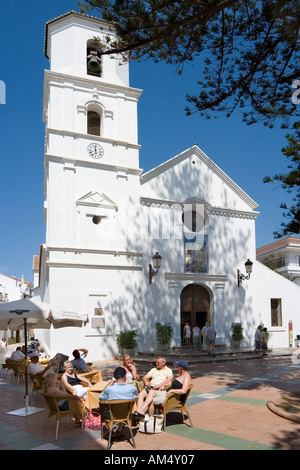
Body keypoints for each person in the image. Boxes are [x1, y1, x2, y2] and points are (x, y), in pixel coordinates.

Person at [99, 367, 138, 437]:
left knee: (103, 408)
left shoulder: (109, 389)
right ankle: (118, 430)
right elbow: (135, 397)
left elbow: (101, 397)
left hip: (112, 415)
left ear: (114, 377)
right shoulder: (132, 388)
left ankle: (113, 430)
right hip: (126, 414)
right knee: (124, 407)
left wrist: (108, 385)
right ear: (125, 376)